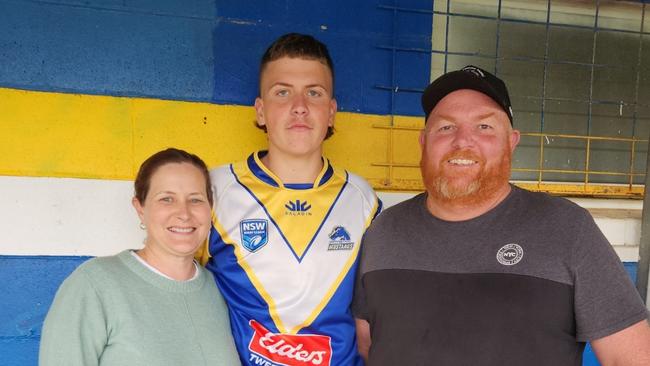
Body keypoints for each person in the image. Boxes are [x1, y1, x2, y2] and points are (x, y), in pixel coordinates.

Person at [353, 65, 650, 365]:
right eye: (446, 127)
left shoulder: (567, 229)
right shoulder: (383, 231)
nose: (462, 141)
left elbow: (629, 358)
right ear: (423, 141)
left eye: (484, 127)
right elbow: (368, 345)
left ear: (511, 141)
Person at [197, 33, 380, 366]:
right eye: (283, 92)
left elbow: (376, 312)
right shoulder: (215, 190)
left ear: (331, 112)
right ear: (261, 111)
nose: (299, 106)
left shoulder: (363, 200)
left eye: (314, 92)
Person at [40, 148, 240, 366]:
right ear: (140, 208)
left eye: (195, 200)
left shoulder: (220, 289)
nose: (184, 213)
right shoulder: (94, 285)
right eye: (167, 199)